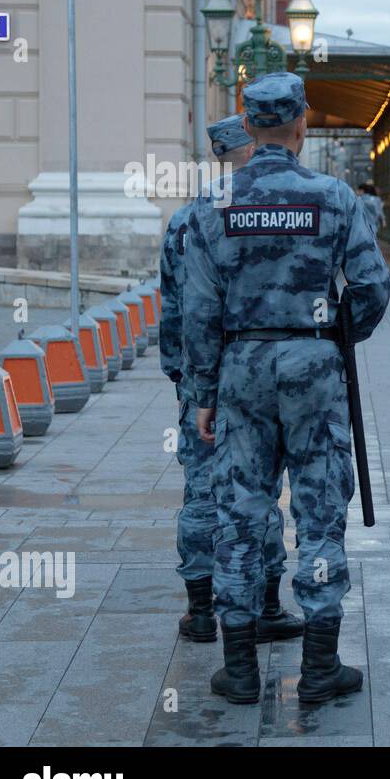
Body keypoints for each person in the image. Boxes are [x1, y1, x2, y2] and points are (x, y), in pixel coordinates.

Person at [182, 73, 390, 705]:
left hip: (241, 365)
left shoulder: (212, 203)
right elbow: (374, 288)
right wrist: (332, 338)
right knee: (321, 512)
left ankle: (240, 666)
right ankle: (321, 666)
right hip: (312, 364)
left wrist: (203, 393)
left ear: (246, 126)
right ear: (302, 123)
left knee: (242, 512)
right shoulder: (334, 196)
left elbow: (196, 310)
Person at [159, 114, 303, 646]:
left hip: (206, 377)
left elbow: (175, 310)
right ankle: (264, 604)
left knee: (202, 489)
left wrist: (190, 381)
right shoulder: (291, 203)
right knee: (260, 490)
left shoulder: (187, 217)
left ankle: (201, 611)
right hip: (266, 373)